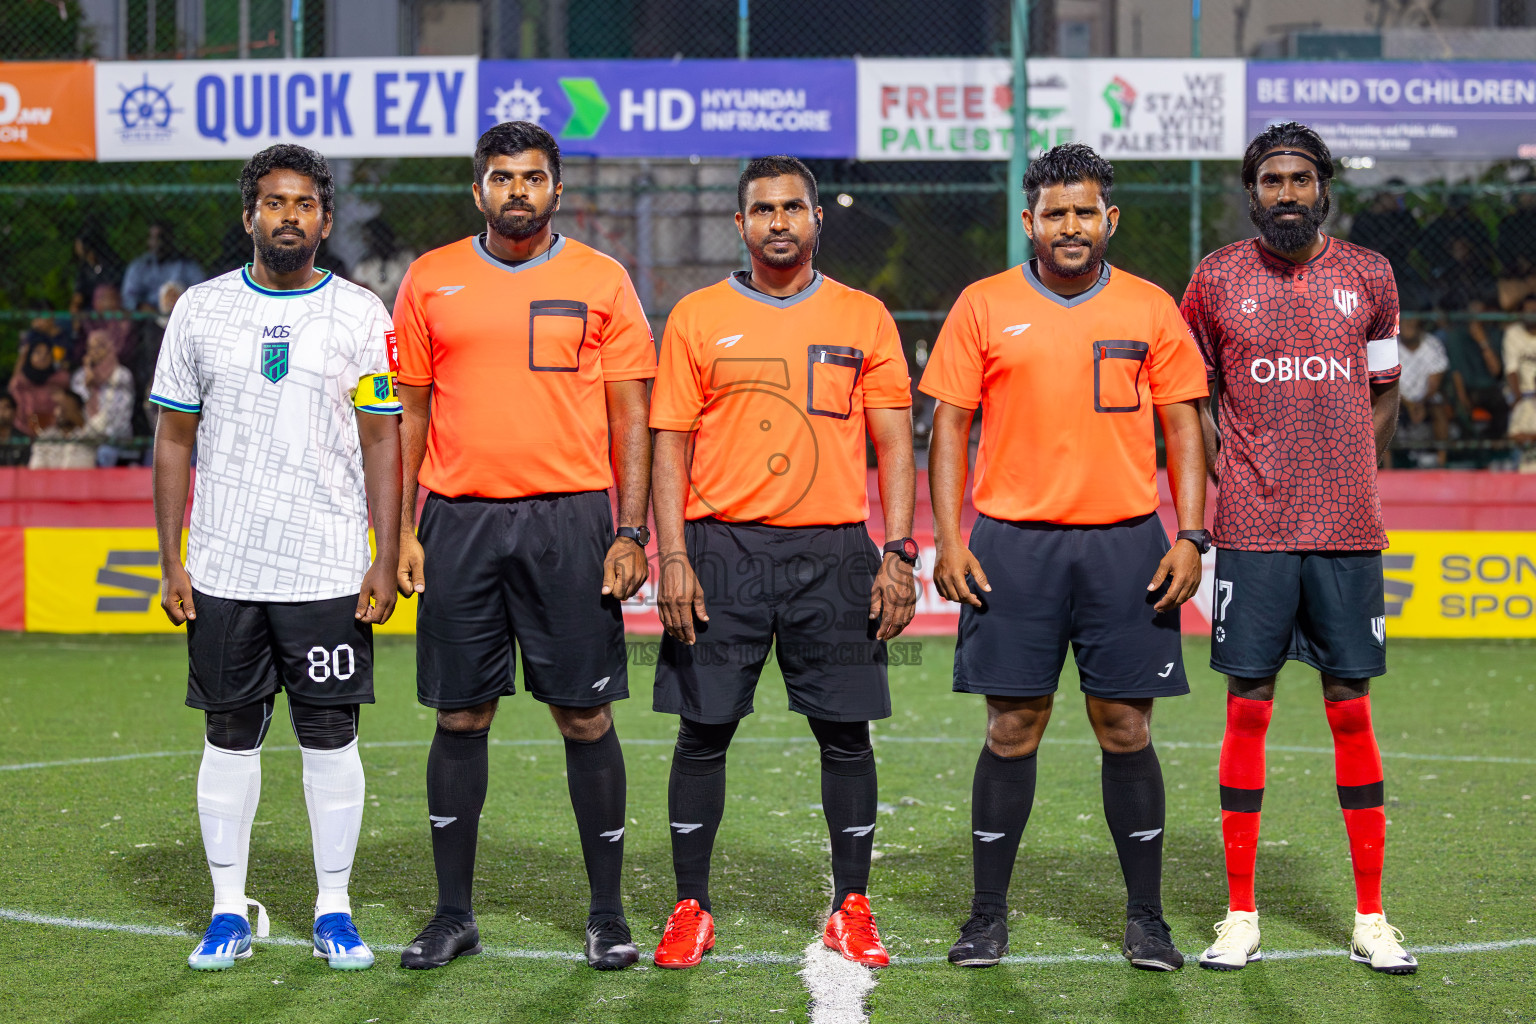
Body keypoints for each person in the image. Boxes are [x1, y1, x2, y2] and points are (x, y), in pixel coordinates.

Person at [921, 143, 1209, 973]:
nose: (1071, 227)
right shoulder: (983, 305)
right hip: (1013, 546)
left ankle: (1147, 921)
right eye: (1056, 214)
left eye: (1086, 212)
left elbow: (1185, 424)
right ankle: (985, 918)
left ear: (1109, 219)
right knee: (1012, 728)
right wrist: (948, 536)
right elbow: (949, 425)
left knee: (1126, 727)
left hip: (1128, 546)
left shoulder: (1153, 308)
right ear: (1030, 222)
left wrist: (1190, 533)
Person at [392, 121, 655, 972]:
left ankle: (608, 916)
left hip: (571, 522)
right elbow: (411, 416)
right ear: (478, 191)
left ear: (556, 189)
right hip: (460, 522)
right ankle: (453, 914)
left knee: (585, 713)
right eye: (502, 177)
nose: (517, 191)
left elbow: (631, 421)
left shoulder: (602, 279)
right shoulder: (430, 280)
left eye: (533, 178)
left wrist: (630, 528)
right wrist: (398, 529)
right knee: (461, 713)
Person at [649, 156, 916, 971]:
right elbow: (671, 444)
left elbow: (895, 440)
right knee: (703, 733)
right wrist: (675, 555)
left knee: (846, 735)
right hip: (721, 548)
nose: (778, 221)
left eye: (793, 207)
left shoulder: (863, 315)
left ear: (816, 219)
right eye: (762, 209)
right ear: (740, 224)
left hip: (834, 550)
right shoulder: (696, 316)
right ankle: (691, 905)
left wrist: (898, 551)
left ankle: (852, 906)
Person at [149, 144, 402, 972]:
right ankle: (228, 910)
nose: (287, 215)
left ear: (324, 220)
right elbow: (172, 440)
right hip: (224, 565)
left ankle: (335, 909)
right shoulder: (199, 309)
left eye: (303, 204)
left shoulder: (364, 314)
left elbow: (381, 436)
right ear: (248, 213)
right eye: (272, 202)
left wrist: (383, 551)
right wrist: (171, 560)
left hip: (327, 566)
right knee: (230, 735)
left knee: (331, 737)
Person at [1182, 122, 1417, 974]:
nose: (1287, 193)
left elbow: (1384, 391)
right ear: (1252, 192)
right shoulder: (1214, 280)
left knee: (1349, 705)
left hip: (1349, 532)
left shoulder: (1371, 276)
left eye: (1301, 179)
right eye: (1272, 180)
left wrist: (1350, 468)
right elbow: (1189, 394)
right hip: (1253, 532)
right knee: (1249, 703)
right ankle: (1240, 913)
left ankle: (1371, 917)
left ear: (1323, 187)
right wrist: (1230, 470)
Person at [1442, 302, 1507, 440]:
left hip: (1490, 389)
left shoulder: (1493, 334)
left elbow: (1496, 371)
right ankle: (1470, 453)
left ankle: (1496, 453)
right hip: (1466, 389)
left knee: (1502, 410)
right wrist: (1463, 398)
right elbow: (1456, 373)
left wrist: (1482, 340)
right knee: (1462, 412)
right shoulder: (1457, 335)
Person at [1395, 312, 1451, 460]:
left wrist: (1420, 402)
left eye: (1412, 320)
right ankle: (1386, 469)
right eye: (1404, 321)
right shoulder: (1389, 344)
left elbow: (1435, 383)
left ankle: (1441, 463)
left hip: (1427, 397)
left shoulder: (1432, 344)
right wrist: (1408, 404)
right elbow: (1386, 383)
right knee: (1382, 411)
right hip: (1397, 397)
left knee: (1439, 410)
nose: (1408, 325)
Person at [72, 328, 136, 444]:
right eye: (91, 347)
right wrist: (88, 379)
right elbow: (76, 409)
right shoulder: (80, 376)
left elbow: (122, 415)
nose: (94, 351)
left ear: (109, 347)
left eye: (100, 347)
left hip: (116, 440)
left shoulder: (122, 375)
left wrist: (102, 438)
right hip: (86, 439)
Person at [122, 221, 204, 312]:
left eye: (161, 237)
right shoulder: (138, 267)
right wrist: (143, 307)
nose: (157, 242)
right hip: (148, 319)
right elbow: (128, 298)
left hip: (181, 314)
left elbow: (201, 293)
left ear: (171, 239)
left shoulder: (187, 265)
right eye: (152, 238)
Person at [9, 335, 70, 435]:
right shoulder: (20, 382)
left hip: (55, 434)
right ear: (29, 356)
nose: (43, 357)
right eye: (38, 352)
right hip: (22, 432)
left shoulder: (60, 380)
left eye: (47, 353)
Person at [352, 218, 414, 309]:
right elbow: (357, 286)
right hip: (376, 308)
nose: (367, 242)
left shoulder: (405, 257)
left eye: (370, 237)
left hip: (403, 307)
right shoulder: (365, 264)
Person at [27, 388, 96, 468]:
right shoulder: (45, 439)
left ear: (78, 410)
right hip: (51, 480)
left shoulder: (89, 435)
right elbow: (36, 470)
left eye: (65, 407)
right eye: (58, 406)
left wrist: (77, 418)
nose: (60, 411)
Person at [70, 224, 123, 316]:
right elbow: (78, 296)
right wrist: (75, 307)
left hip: (109, 309)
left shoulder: (113, 266)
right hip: (89, 312)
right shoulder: (85, 269)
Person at [1504, 294, 1536, 442]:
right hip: (1520, 390)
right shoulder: (1512, 333)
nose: (1531, 315)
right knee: (1521, 413)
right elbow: (1512, 370)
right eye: (1527, 311)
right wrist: (1518, 397)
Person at [0, 394, 28, 466]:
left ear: (14, 412)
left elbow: (24, 467)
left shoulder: (24, 439)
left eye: (6, 407)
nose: (2, 412)